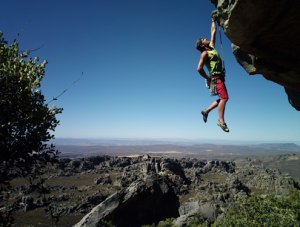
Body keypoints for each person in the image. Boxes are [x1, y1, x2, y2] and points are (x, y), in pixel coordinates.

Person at [195, 15, 229, 132]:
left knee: (223, 98)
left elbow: (213, 31)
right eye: (204, 39)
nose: (206, 38)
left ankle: (206, 111)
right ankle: (221, 120)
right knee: (224, 98)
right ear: (202, 45)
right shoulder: (204, 53)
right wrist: (208, 78)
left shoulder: (212, 48)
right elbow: (199, 68)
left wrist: (213, 20)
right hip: (216, 78)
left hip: (220, 77)